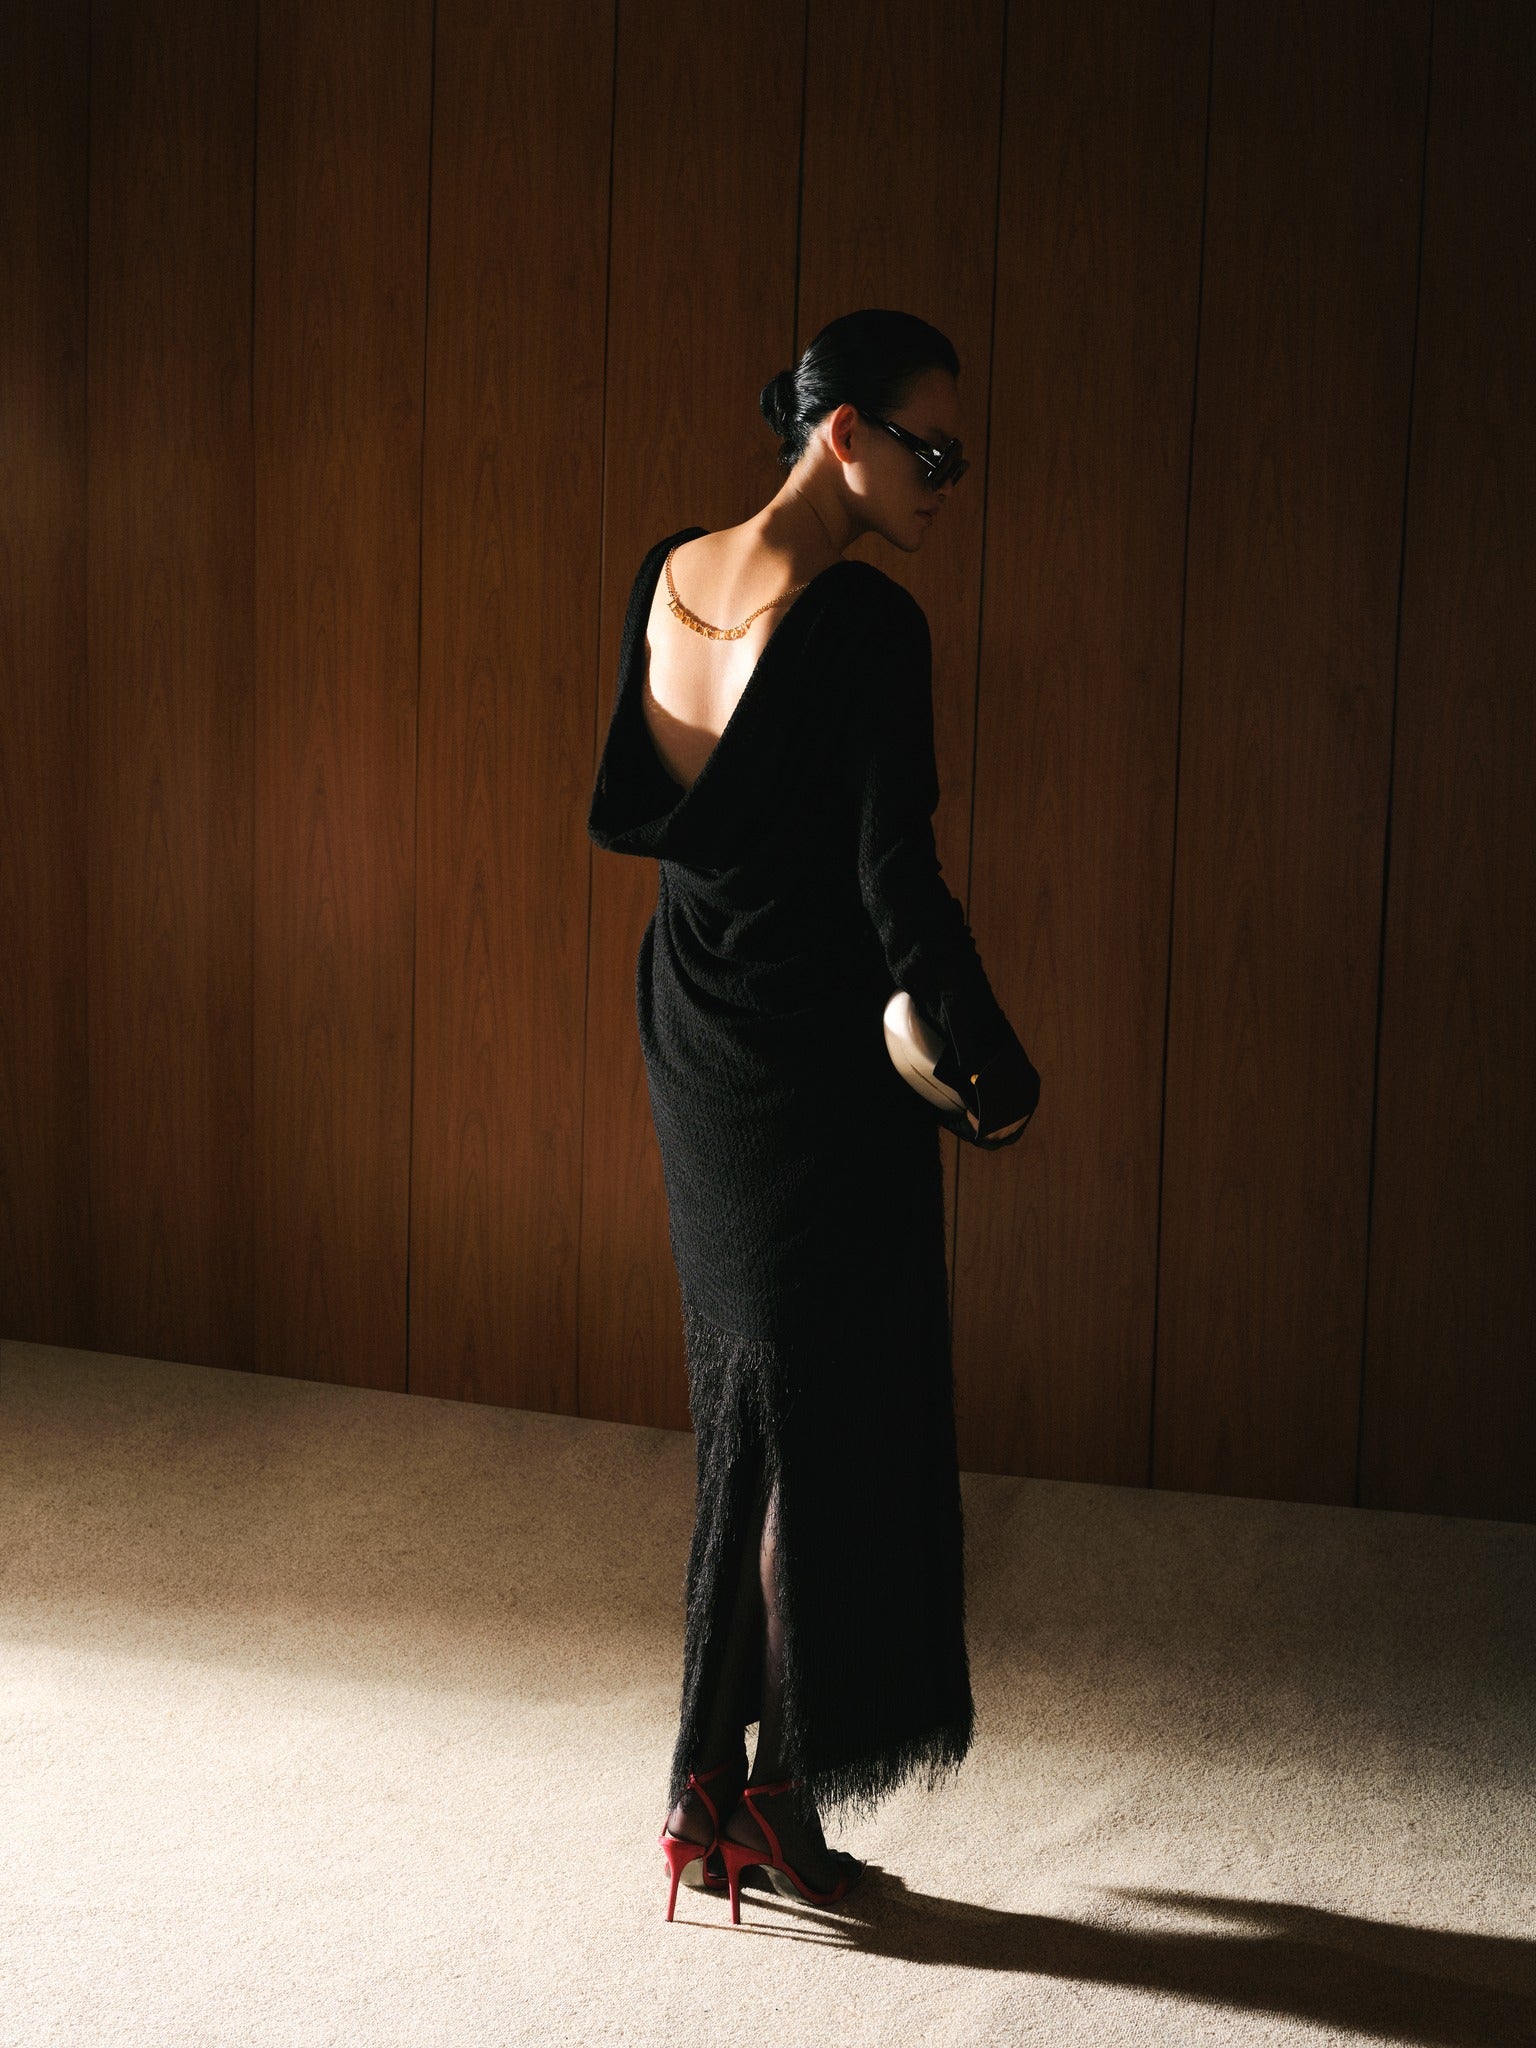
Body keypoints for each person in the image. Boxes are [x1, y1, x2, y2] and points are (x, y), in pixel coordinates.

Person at [586, 308, 1040, 1923]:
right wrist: (992, 1066)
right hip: (814, 1062)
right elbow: (895, 877)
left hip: (695, 1031)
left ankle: (707, 1795)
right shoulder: (865, 625)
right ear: (841, 432)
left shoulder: (667, 572)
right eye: (932, 450)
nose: (947, 483)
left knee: (753, 1406)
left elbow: (671, 817)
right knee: (825, 1423)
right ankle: (768, 1798)